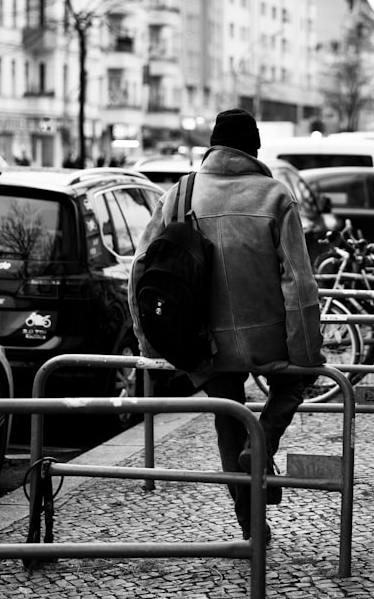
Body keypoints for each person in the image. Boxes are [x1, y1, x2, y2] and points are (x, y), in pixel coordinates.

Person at [128, 108, 325, 541]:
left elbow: (141, 271)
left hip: (203, 341)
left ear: (213, 147)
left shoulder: (180, 194)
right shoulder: (275, 196)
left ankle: (251, 525)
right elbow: (299, 282)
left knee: (227, 419)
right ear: (253, 149)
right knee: (297, 381)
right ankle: (263, 442)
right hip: (267, 337)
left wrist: (149, 344)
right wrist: (306, 350)